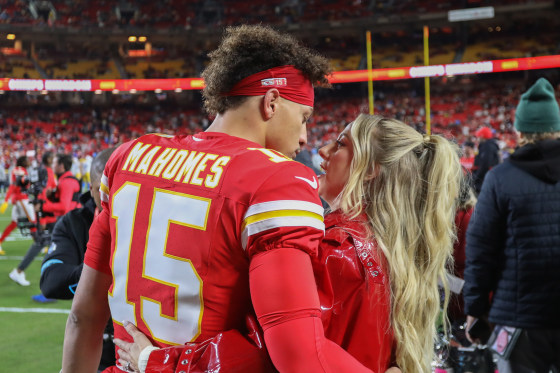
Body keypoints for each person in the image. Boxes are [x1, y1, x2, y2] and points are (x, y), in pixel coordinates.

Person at [62, 24, 376, 373]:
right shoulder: (276, 178)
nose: (304, 137)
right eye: (303, 118)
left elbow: (83, 316)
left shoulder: (129, 156)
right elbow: (299, 357)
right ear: (271, 102)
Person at [114, 114, 462, 373]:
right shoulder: (392, 249)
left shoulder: (331, 247)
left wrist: (156, 360)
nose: (322, 150)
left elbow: (267, 351)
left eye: (341, 144)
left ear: (370, 168)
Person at [464, 77, 560, 372]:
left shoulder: (499, 178)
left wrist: (475, 310)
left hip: (518, 319)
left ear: (519, 131)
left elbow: (481, 252)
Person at [39, 147, 116, 371]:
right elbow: (51, 281)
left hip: (145, 353)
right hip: (96, 354)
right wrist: (101, 269)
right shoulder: (75, 223)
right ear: (92, 189)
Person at [9, 152, 80, 288]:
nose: (53, 164)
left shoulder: (66, 181)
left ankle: (64, 279)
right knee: (45, 243)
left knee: (47, 244)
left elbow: (62, 206)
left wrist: (43, 206)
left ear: (61, 166)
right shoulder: (60, 178)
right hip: (63, 219)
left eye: (55, 162)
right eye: (52, 161)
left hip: (68, 220)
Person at [1, 156, 36, 262]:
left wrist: (8, 200)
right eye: (27, 160)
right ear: (23, 161)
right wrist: (6, 200)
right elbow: (15, 185)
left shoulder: (16, 170)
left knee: (14, 223)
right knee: (33, 221)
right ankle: (40, 243)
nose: (29, 162)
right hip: (22, 199)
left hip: (17, 199)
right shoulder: (20, 170)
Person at [471, 126, 500, 194]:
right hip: (487, 178)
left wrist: (476, 177)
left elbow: (485, 164)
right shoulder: (489, 145)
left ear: (482, 136)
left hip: (484, 181)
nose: (478, 138)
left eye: (479, 136)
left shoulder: (487, 146)